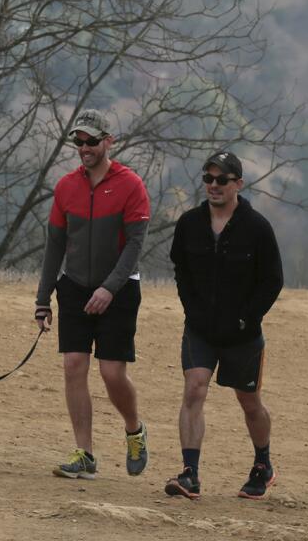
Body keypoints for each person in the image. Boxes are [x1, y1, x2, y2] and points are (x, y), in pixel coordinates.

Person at [34, 108, 152, 480]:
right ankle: (84, 454)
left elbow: (135, 245)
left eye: (91, 141)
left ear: (108, 142)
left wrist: (109, 288)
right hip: (74, 288)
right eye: (78, 142)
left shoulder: (131, 184)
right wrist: (42, 299)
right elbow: (54, 246)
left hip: (119, 290)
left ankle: (134, 428)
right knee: (73, 367)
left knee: (112, 374)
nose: (83, 148)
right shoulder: (66, 187)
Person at [165, 150, 284, 501]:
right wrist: (191, 308)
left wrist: (248, 317)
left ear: (238, 184)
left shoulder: (258, 228)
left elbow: (272, 281)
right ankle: (190, 474)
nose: (213, 186)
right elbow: (181, 270)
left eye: (221, 180)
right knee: (194, 389)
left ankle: (263, 464)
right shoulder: (188, 224)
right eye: (208, 179)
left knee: (249, 403)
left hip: (242, 334)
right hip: (200, 328)